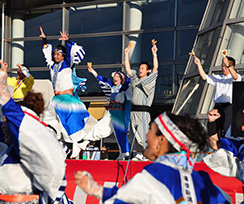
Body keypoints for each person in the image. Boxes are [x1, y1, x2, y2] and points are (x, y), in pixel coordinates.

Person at [74, 112, 231, 204]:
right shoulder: (203, 181)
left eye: (150, 130)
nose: (146, 135)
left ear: (161, 141)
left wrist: (94, 189)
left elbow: (124, 200)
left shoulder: (156, 174)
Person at [0, 60, 71, 204]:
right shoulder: (10, 143)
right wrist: (4, 77)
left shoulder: (33, 135)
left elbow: (23, 127)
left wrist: (4, 91)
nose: (4, 126)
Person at [39, 27, 97, 158]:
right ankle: (63, 147)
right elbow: (46, 53)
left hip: (66, 98)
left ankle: (79, 143)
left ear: (64, 56)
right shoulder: (52, 65)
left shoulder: (68, 64)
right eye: (55, 54)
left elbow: (77, 52)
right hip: (55, 99)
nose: (55, 55)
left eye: (58, 54)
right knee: (47, 124)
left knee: (69, 126)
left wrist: (68, 41)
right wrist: (44, 39)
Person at [84, 65, 132, 160]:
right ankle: (87, 138)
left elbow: (130, 79)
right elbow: (102, 79)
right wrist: (92, 71)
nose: (115, 78)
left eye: (117, 77)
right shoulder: (111, 87)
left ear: (121, 79)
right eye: (114, 77)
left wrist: (128, 69)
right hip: (110, 111)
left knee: (120, 133)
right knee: (100, 125)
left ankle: (124, 153)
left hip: (119, 112)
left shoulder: (124, 87)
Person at [124, 43, 158, 160]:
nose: (140, 70)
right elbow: (128, 69)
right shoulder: (135, 80)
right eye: (140, 68)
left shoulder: (149, 81)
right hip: (133, 111)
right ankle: (138, 153)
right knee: (133, 131)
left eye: (143, 68)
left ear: (147, 71)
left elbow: (155, 69)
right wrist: (126, 54)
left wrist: (154, 54)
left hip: (143, 111)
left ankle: (147, 154)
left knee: (143, 132)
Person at [194, 55, 242, 137]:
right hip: (217, 107)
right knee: (216, 130)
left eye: (226, 66)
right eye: (222, 66)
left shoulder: (234, 77)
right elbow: (204, 77)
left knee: (227, 128)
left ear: (232, 66)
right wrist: (199, 64)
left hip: (228, 107)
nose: (224, 68)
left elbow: (235, 77)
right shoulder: (218, 77)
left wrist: (228, 65)